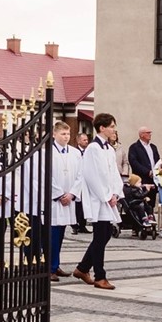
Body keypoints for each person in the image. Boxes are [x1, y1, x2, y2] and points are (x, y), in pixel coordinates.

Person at [72, 113, 121, 290]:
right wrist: (106, 196)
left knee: (105, 234)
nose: (114, 129)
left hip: (109, 199)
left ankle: (82, 268)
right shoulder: (93, 148)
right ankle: (100, 276)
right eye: (112, 126)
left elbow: (113, 173)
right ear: (102, 128)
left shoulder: (108, 149)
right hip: (98, 199)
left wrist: (115, 193)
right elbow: (92, 175)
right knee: (100, 236)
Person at [47, 121, 81, 280]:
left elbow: (81, 175)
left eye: (68, 134)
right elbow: (46, 175)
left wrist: (72, 193)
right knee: (52, 234)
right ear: (54, 134)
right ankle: (50, 267)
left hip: (69, 198)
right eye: (63, 134)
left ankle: (56, 264)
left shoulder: (75, 153)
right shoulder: (47, 151)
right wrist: (60, 194)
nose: (66, 137)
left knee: (61, 233)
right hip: (55, 200)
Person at [72, 130, 91, 233]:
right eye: (84, 140)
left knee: (84, 203)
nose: (86, 142)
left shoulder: (89, 151)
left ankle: (82, 224)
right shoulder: (74, 152)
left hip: (86, 180)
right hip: (77, 179)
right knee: (77, 203)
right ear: (78, 141)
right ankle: (75, 225)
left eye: (87, 140)